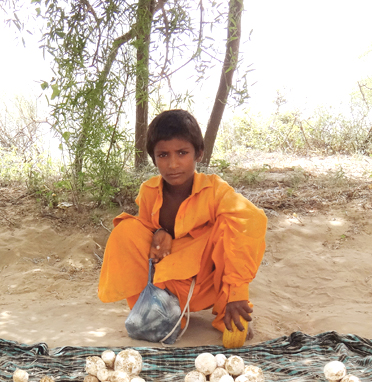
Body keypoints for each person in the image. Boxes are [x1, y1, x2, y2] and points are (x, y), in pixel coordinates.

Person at [98, 109, 267, 337]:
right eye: (163, 155)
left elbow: (251, 222)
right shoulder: (149, 191)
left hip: (205, 279)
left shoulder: (215, 191)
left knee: (233, 225)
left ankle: (227, 309)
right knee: (126, 231)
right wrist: (159, 230)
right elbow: (145, 231)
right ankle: (156, 311)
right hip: (168, 277)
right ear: (154, 158)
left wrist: (237, 292)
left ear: (199, 153)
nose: (173, 164)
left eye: (182, 152)